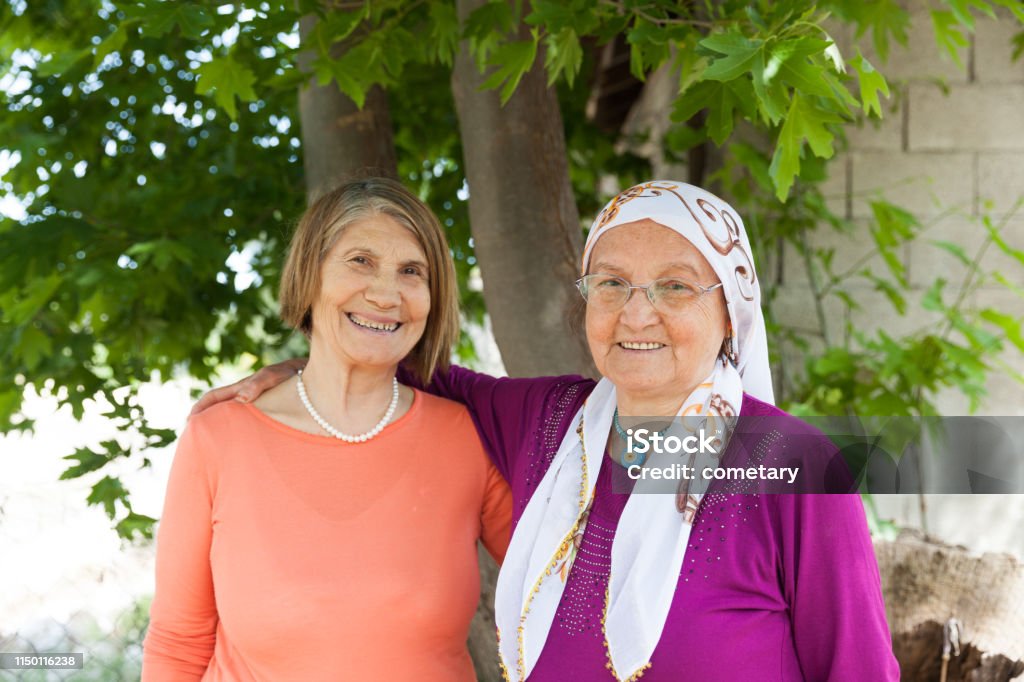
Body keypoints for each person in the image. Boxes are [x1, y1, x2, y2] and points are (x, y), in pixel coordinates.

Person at [195, 181, 899, 680]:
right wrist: (302, 363)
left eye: (676, 286)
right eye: (612, 283)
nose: (637, 312)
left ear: (730, 313)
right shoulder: (550, 421)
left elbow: (858, 671)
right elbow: (406, 359)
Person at [142, 178, 513, 681]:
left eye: (411, 271)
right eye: (360, 261)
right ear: (309, 274)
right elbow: (177, 644)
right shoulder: (218, 439)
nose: (385, 294)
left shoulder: (468, 437)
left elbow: (565, 599)